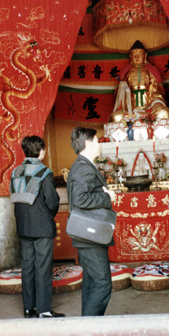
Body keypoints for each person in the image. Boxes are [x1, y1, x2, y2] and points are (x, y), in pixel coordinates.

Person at [9, 135, 64, 318]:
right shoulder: (44, 172)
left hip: (23, 226)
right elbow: (52, 201)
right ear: (41, 152)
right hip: (42, 227)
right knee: (43, 267)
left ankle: (28, 308)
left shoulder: (16, 171)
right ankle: (44, 310)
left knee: (28, 267)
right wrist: (49, 215)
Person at [67, 127, 116, 316]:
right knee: (102, 283)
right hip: (90, 235)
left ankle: (85, 326)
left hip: (88, 233)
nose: (98, 145)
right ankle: (90, 329)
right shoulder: (83, 167)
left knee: (91, 282)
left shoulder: (84, 164)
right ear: (87, 143)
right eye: (96, 141)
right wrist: (107, 197)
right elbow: (80, 199)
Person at [109, 40, 169, 123]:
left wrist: (157, 104)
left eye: (140, 54)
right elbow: (120, 96)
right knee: (115, 117)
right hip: (129, 112)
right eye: (134, 54)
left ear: (145, 55)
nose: (137, 57)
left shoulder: (152, 70)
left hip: (149, 110)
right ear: (130, 56)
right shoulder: (125, 72)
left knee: (165, 113)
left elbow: (158, 92)